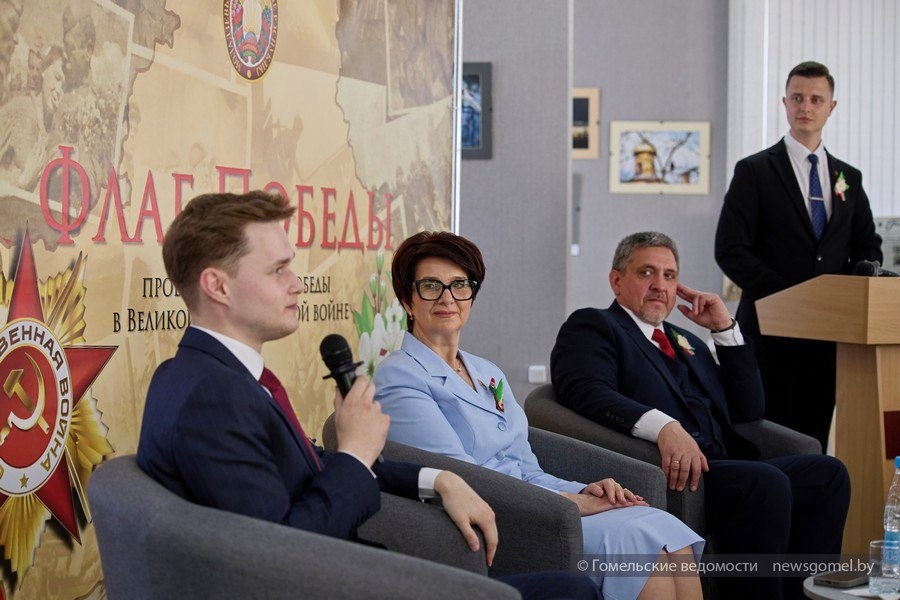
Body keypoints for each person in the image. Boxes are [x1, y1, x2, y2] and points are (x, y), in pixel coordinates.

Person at [136, 191, 600, 600]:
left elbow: (308, 467)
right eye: (279, 269)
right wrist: (356, 452)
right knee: (571, 591)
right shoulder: (212, 398)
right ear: (217, 285)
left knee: (571, 588)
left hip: (353, 572)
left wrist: (437, 479)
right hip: (337, 582)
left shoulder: (209, 376)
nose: (298, 282)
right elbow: (282, 554)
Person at [374, 231, 704, 600]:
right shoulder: (399, 376)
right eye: (431, 286)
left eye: (460, 285)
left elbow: (526, 467)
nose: (448, 298)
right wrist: (572, 503)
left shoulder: (486, 371)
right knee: (638, 543)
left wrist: (583, 490)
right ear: (407, 299)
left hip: (541, 502)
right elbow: (459, 479)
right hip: (497, 517)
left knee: (667, 531)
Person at [551, 231, 851, 600]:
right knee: (766, 482)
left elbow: (748, 409)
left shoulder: (686, 340)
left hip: (726, 464)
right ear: (616, 281)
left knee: (828, 474)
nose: (660, 285)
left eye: (669, 276)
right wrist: (664, 426)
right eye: (646, 273)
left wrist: (724, 330)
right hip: (671, 473)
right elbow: (586, 392)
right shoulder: (595, 326)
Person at [714, 61, 882, 451]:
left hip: (829, 337)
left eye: (816, 99)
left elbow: (868, 246)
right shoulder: (754, 171)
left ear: (831, 107)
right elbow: (730, 249)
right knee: (767, 439)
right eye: (797, 98)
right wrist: (791, 296)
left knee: (813, 440)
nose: (805, 106)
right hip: (769, 332)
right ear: (785, 103)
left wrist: (850, 286)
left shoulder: (848, 178)